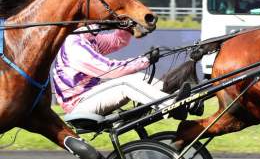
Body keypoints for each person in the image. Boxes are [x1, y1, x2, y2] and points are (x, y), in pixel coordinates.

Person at [52, 26, 187, 119]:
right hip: (79, 104)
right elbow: (109, 69)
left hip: (90, 95)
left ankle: (187, 102)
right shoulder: (75, 45)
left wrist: (126, 25)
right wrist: (144, 60)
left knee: (139, 78)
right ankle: (170, 105)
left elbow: (117, 41)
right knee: (126, 84)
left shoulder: (87, 38)